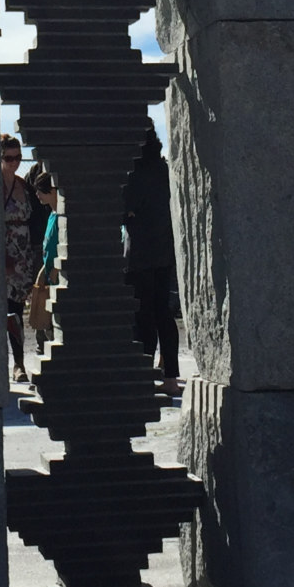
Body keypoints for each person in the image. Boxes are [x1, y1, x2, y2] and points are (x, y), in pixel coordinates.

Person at [123, 123, 181, 398]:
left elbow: (123, 210)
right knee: (163, 313)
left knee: (142, 315)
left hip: (140, 252)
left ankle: (145, 375)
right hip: (164, 249)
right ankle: (170, 376)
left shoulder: (134, 174)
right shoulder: (163, 169)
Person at [1, 134, 34, 384]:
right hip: (5, 252)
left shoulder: (24, 184)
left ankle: (19, 362)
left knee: (17, 311)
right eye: (9, 158)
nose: (14, 162)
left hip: (23, 254)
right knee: (6, 311)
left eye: (18, 157)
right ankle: (13, 364)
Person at [29, 170, 59, 355]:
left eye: (41, 190)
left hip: (58, 276)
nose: (37, 195)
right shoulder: (51, 215)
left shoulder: (63, 217)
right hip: (48, 274)